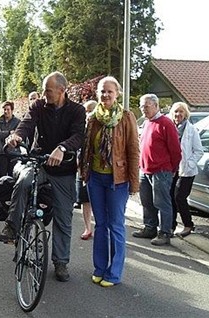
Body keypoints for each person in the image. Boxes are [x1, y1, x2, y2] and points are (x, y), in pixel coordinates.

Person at [0, 71, 85, 282]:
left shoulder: (77, 111)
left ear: (62, 90)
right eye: (44, 90)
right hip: (39, 161)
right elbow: (27, 124)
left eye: (48, 90)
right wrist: (17, 136)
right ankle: (11, 226)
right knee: (24, 180)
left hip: (64, 169)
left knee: (64, 217)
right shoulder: (38, 106)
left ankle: (61, 262)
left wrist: (62, 148)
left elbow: (78, 135)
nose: (45, 94)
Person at [80, 77, 140, 287]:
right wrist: (84, 173)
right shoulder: (93, 119)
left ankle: (114, 273)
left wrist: (134, 182)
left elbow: (133, 150)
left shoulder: (126, 117)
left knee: (115, 225)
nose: (105, 95)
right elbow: (87, 149)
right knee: (101, 224)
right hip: (95, 179)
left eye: (109, 92)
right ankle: (99, 268)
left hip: (118, 179)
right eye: (102, 91)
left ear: (117, 94)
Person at [133, 93, 182, 246]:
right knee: (147, 201)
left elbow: (176, 150)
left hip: (161, 170)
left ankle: (165, 232)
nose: (143, 110)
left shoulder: (166, 123)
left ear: (156, 105)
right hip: (145, 169)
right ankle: (150, 227)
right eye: (142, 107)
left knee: (162, 202)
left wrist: (172, 169)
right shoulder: (147, 123)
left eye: (146, 107)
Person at [168, 102, 204, 237]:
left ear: (186, 114)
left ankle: (188, 224)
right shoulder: (170, 127)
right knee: (170, 197)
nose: (178, 115)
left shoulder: (191, 130)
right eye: (176, 112)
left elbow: (199, 151)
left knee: (179, 197)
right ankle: (171, 226)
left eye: (181, 112)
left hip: (186, 171)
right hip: (172, 169)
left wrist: (189, 163)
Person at [76, 100, 97, 240]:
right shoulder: (80, 127)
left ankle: (98, 228)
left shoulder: (100, 127)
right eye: (86, 111)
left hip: (96, 169)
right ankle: (87, 228)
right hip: (82, 169)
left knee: (98, 201)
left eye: (90, 110)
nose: (87, 114)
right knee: (85, 200)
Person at [0, 100, 21, 178]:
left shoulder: (18, 122)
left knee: (12, 176)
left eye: (8, 109)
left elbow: (17, 135)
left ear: (12, 110)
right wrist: (9, 133)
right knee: (1, 177)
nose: (6, 111)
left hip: (13, 153)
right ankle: (1, 191)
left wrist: (2, 132)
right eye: (4, 109)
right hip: (1, 152)